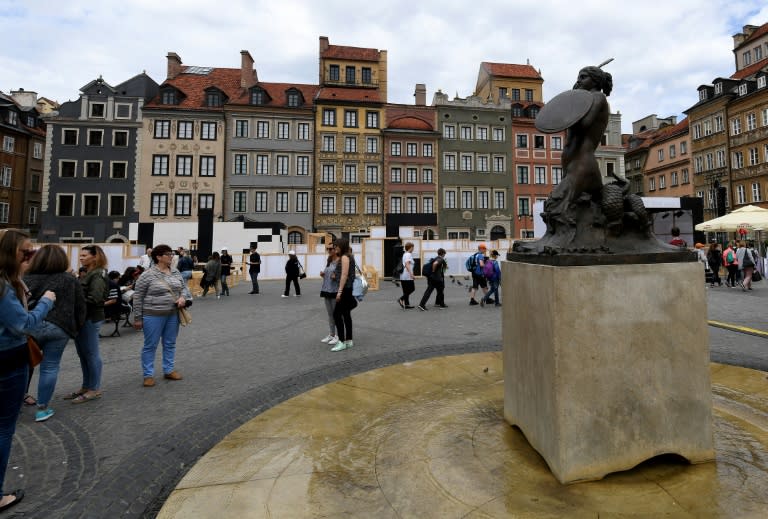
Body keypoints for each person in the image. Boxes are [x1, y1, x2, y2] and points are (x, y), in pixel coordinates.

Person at [0, 229, 56, 512]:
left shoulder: (12, 283)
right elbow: (23, 325)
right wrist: (46, 301)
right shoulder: (4, 288)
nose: (31, 257)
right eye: (26, 252)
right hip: (8, 360)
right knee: (3, 429)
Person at [24, 244, 86, 422]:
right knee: (50, 368)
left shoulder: (27, 277)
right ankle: (42, 408)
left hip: (31, 326)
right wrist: (76, 327)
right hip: (59, 328)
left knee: (24, 364)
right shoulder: (69, 279)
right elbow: (80, 306)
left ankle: (18, 398)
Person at [132, 244, 191, 387]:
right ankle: (148, 374)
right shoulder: (147, 275)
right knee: (150, 345)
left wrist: (183, 298)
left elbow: (184, 288)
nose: (171, 256)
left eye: (172, 254)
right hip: (153, 315)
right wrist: (138, 318)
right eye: (168, 254)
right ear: (158, 257)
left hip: (173, 314)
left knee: (170, 343)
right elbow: (138, 297)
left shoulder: (176, 272)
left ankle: (168, 370)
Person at [67, 245, 108, 404]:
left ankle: (94, 389)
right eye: (81, 255)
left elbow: (95, 298)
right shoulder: (89, 273)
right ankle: (86, 386)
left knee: (91, 354)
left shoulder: (98, 274)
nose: (81, 257)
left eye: (85, 255)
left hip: (91, 318)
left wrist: (74, 301)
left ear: (95, 257)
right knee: (83, 354)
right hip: (83, 319)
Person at [331, 239, 357, 352]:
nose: (335, 248)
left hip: (345, 289)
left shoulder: (345, 257)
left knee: (336, 314)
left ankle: (341, 341)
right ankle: (349, 340)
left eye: (336, 246)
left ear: (341, 246)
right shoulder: (349, 256)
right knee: (346, 314)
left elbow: (344, 275)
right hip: (348, 289)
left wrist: (339, 292)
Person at [319, 243, 340, 346]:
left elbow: (343, 277)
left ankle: (338, 335)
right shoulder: (329, 261)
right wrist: (323, 275)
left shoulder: (339, 261)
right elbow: (329, 275)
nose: (329, 250)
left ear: (336, 249)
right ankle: (332, 334)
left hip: (335, 291)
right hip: (326, 290)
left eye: (331, 249)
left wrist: (335, 277)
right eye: (327, 249)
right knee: (330, 314)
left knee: (336, 314)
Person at [397, 242, 416, 309]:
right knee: (412, 288)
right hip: (407, 275)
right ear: (410, 247)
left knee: (406, 290)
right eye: (413, 247)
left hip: (403, 275)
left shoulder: (405, 254)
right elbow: (407, 264)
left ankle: (407, 304)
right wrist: (411, 274)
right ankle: (401, 299)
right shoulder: (408, 254)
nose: (413, 249)